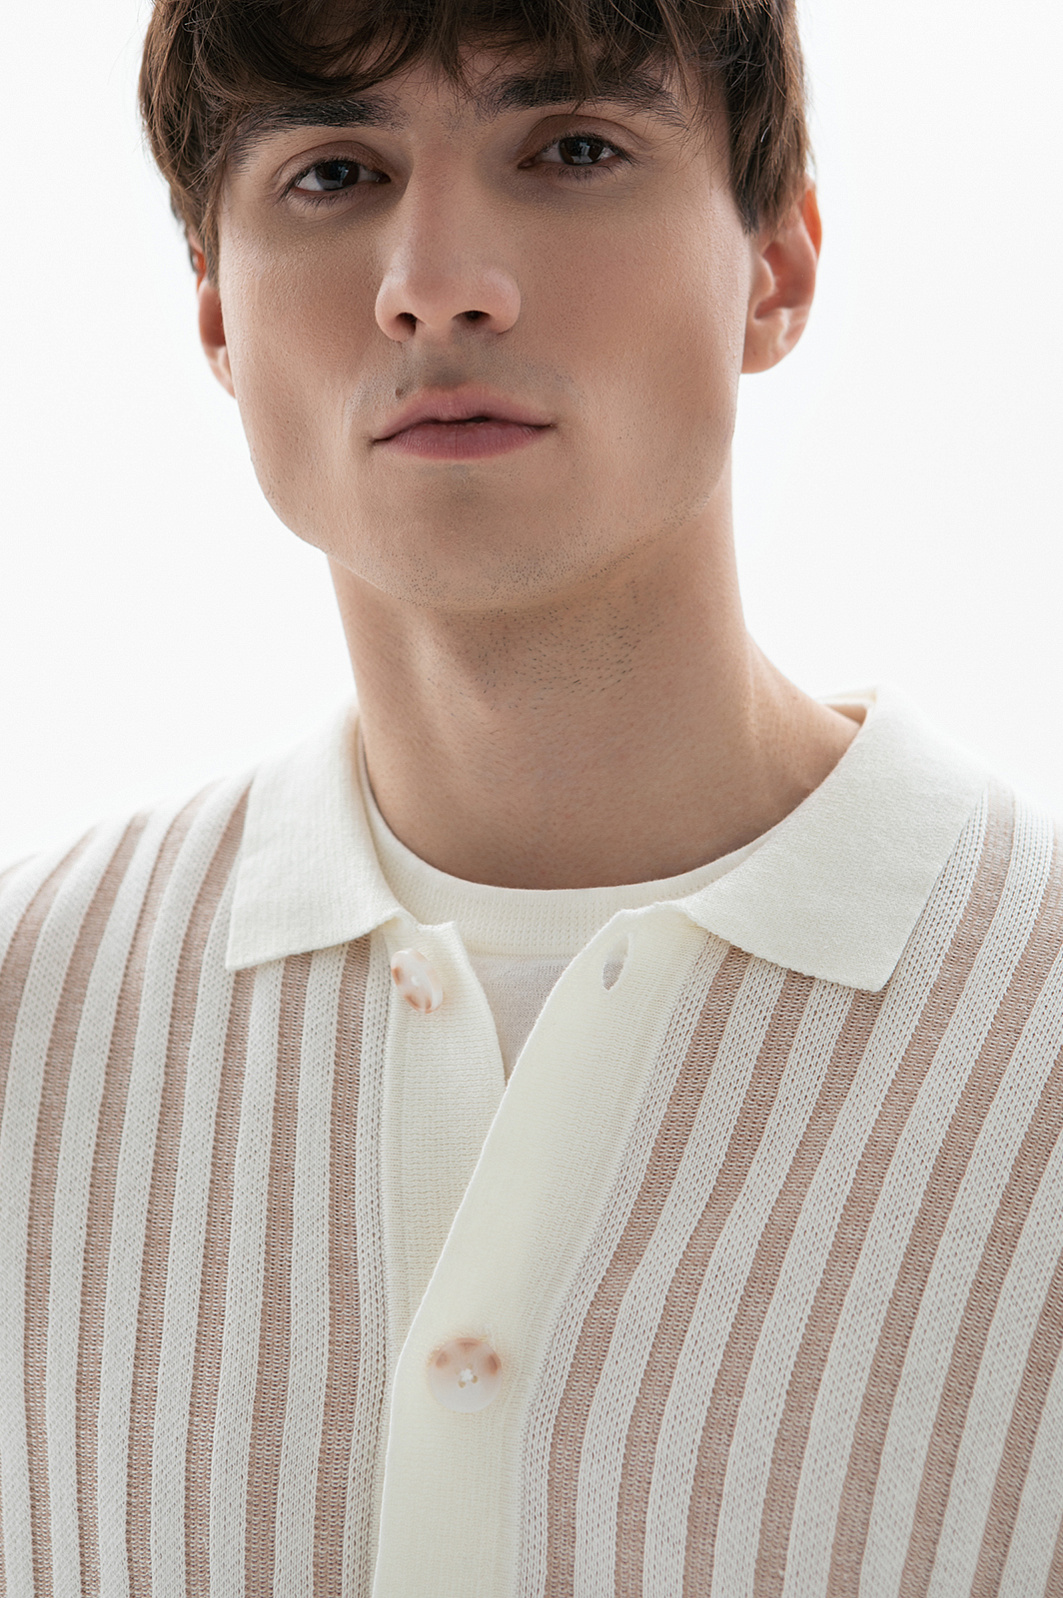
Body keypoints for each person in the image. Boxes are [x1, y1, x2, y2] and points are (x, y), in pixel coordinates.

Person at [1, 0, 1061, 1592]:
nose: (437, 283)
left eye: (571, 149)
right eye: (334, 172)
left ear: (775, 262)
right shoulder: (28, 1015)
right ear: (214, 309)